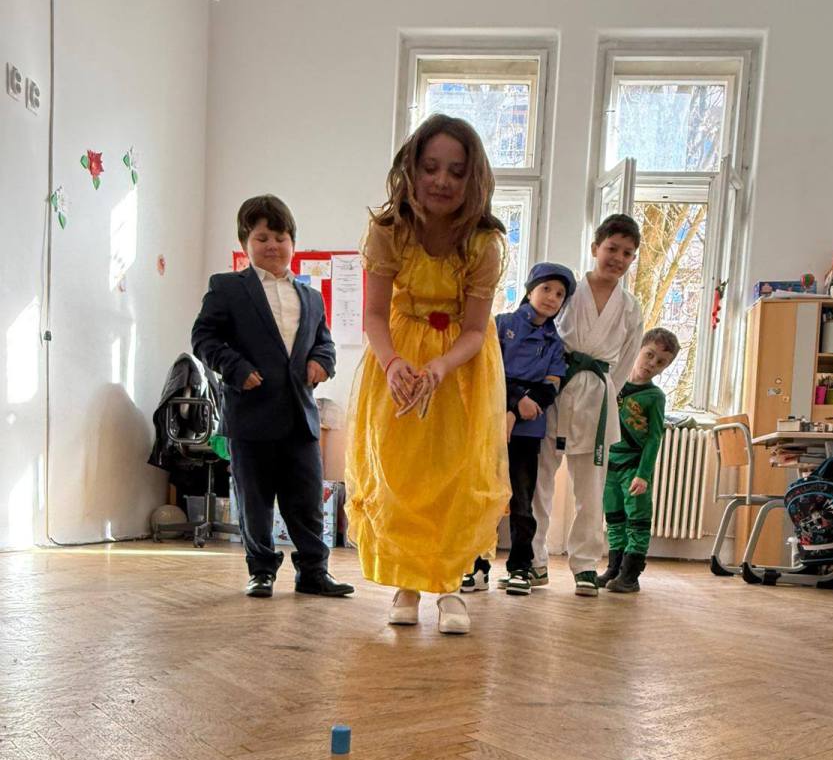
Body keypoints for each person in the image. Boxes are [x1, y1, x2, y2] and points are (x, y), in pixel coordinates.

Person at [344, 114, 510, 635]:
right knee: (400, 476)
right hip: (396, 361)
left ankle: (451, 586)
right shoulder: (388, 232)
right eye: (431, 167)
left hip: (459, 370)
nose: (442, 181)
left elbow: (476, 330)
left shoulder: (483, 243)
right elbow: (374, 315)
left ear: (473, 179)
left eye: (456, 171)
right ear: (411, 170)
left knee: (456, 477)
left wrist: (441, 366)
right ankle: (407, 585)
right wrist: (394, 362)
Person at [191, 194, 353, 599]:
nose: (272, 246)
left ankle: (313, 572)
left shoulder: (311, 297)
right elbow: (204, 338)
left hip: (300, 415)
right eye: (262, 238)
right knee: (255, 500)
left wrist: (322, 362)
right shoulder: (227, 288)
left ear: (292, 242)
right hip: (250, 414)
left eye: (280, 238)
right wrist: (236, 368)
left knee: (307, 500)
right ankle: (261, 570)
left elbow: (324, 344)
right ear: (245, 243)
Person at [531, 215, 644, 596]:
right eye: (612, 248)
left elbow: (625, 363)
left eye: (627, 253)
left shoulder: (630, 307)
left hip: (597, 395)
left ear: (632, 260)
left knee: (591, 490)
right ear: (595, 248)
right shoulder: (567, 291)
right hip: (555, 388)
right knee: (540, 482)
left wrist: (604, 390)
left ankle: (584, 565)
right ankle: (534, 561)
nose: (618, 258)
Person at [461, 261, 576, 597]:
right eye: (546, 289)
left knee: (523, 502)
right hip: (489, 426)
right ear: (529, 290)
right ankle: (476, 567)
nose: (552, 297)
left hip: (528, 432)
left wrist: (519, 410)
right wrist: (513, 403)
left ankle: (520, 568)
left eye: (559, 294)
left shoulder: (554, 342)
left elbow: (551, 387)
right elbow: (487, 372)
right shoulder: (501, 325)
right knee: (482, 498)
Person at [602, 327, 680, 593]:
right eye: (649, 355)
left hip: (634, 466)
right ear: (638, 349)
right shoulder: (614, 383)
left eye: (661, 362)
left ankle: (630, 575)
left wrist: (643, 474)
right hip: (610, 464)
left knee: (637, 519)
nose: (652, 364)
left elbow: (654, 437)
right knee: (614, 517)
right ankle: (614, 568)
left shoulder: (655, 397)